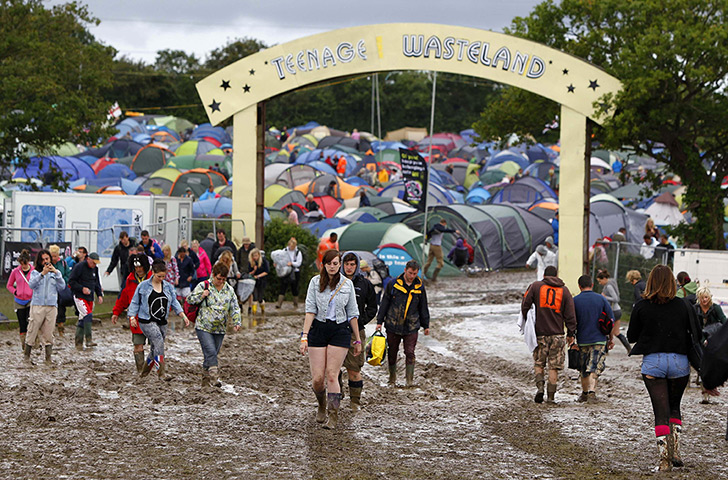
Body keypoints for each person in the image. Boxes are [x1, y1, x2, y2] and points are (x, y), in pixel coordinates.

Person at [627, 264, 701, 471]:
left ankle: (663, 461)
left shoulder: (641, 306)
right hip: (679, 362)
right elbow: (696, 334)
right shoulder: (684, 305)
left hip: (653, 363)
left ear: (650, 281)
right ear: (672, 282)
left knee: (660, 412)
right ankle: (676, 451)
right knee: (675, 407)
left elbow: (632, 336)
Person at [300, 249, 361, 429]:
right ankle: (321, 404)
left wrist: (357, 339)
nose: (333, 267)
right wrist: (304, 336)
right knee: (318, 379)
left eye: (336, 264)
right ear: (323, 265)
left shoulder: (347, 284)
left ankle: (333, 416)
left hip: (340, 330)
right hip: (318, 329)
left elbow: (353, 314)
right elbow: (310, 310)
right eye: (329, 264)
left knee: (332, 375)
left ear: (339, 264)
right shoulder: (314, 283)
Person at [521, 265, 576, 404]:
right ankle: (551, 397)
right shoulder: (564, 290)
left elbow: (525, 303)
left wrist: (527, 320)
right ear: (556, 275)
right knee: (554, 367)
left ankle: (540, 388)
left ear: (544, 275)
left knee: (539, 363)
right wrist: (571, 333)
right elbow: (570, 315)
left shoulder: (535, 286)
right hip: (557, 334)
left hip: (539, 334)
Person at [128, 259, 189, 380]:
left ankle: (144, 373)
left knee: (154, 348)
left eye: (163, 276)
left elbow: (174, 302)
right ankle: (162, 373)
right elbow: (135, 302)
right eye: (158, 276)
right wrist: (131, 317)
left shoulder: (168, 287)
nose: (161, 278)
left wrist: (182, 315)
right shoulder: (143, 286)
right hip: (146, 320)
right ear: (153, 273)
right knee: (158, 341)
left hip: (162, 321)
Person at [376, 259, 430, 387]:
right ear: (405, 270)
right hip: (392, 324)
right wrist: (379, 321)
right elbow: (385, 303)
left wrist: (426, 325)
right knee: (392, 352)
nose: (412, 276)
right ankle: (392, 377)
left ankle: (409, 380)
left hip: (411, 326)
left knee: (410, 352)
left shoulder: (419, 286)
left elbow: (423, 307)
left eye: (415, 274)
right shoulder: (393, 284)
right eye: (410, 273)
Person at [188, 262, 242, 386]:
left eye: (223, 279)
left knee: (211, 354)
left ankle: (205, 380)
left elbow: (234, 307)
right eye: (219, 278)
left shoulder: (229, 290)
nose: (221, 281)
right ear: (213, 275)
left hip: (220, 328)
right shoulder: (204, 285)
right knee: (210, 351)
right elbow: (190, 299)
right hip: (203, 326)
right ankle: (214, 377)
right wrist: (202, 295)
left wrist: (236, 321)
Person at [340, 252, 377, 411]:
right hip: (335, 330)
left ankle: (355, 402)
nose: (349, 267)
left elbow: (373, 307)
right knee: (332, 369)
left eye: (352, 264)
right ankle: (336, 393)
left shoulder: (365, 284)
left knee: (354, 369)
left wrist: (360, 321)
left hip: (356, 332)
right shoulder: (334, 282)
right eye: (346, 264)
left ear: (357, 266)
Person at [573, 275, 614, 403]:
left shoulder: (575, 301)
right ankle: (591, 392)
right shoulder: (601, 299)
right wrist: (610, 338)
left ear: (579, 286)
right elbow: (610, 320)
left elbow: (571, 321)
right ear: (592, 285)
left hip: (582, 340)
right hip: (599, 339)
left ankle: (584, 393)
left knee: (583, 368)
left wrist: (571, 338)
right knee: (594, 366)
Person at [111, 254, 152, 373]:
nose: (138, 269)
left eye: (140, 267)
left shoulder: (154, 278)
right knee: (137, 345)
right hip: (136, 319)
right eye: (136, 267)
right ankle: (141, 371)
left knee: (156, 346)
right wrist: (116, 312)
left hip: (153, 319)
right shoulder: (130, 280)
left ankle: (158, 370)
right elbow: (124, 297)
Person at [25, 250, 66, 365]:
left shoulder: (55, 273)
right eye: (43, 259)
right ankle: (26, 356)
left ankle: (48, 358)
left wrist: (57, 274)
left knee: (48, 333)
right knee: (32, 330)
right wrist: (42, 274)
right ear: (39, 261)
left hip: (52, 306)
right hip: (38, 305)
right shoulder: (35, 273)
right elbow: (31, 285)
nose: (45, 262)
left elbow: (62, 287)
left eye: (47, 259)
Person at [694, 285, 726, 404]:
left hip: (714, 339)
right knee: (700, 363)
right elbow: (694, 327)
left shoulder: (716, 308)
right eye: (702, 298)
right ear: (698, 298)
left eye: (706, 297)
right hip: (699, 338)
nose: (704, 300)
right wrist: (701, 340)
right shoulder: (695, 309)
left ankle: (712, 385)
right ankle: (705, 393)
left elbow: (724, 322)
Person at [68, 252, 104, 350]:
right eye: (93, 262)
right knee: (88, 315)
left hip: (90, 297)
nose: (94, 265)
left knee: (82, 318)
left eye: (96, 263)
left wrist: (99, 295)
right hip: (79, 296)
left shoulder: (95, 269)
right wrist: (81, 288)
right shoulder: (79, 267)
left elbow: (97, 283)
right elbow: (71, 281)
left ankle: (78, 342)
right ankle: (89, 339)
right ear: (88, 259)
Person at [596, 269, 631, 354]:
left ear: (604, 278)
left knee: (607, 330)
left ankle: (605, 351)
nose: (600, 283)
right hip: (617, 310)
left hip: (613, 311)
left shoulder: (608, 286)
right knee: (616, 332)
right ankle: (629, 348)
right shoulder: (611, 283)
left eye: (600, 281)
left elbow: (616, 299)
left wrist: (604, 297)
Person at [6, 249, 34, 351]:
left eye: (25, 264)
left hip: (31, 300)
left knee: (30, 321)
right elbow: (9, 285)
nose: (24, 266)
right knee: (22, 323)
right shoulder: (15, 272)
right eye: (22, 264)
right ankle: (24, 344)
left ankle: (31, 341)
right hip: (19, 300)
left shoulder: (34, 271)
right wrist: (15, 291)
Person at [49, 244, 72, 337]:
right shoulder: (47, 264)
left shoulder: (63, 263)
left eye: (55, 256)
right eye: (52, 256)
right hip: (50, 289)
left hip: (61, 289)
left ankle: (61, 328)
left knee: (61, 308)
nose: (53, 258)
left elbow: (68, 274)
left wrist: (63, 281)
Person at [276, 237, 303, 309]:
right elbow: (280, 259)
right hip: (285, 271)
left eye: (292, 246)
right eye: (289, 246)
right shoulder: (284, 251)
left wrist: (292, 263)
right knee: (283, 287)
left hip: (295, 272)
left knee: (294, 288)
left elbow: (299, 263)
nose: (290, 247)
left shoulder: (298, 252)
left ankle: (295, 303)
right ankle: (279, 303)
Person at [248, 248, 269, 314]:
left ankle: (263, 310)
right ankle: (254, 313)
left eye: (256, 256)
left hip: (262, 281)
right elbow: (249, 273)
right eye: (253, 256)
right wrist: (254, 270)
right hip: (254, 282)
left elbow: (266, 271)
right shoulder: (251, 262)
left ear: (259, 255)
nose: (255, 257)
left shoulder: (264, 261)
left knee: (260, 298)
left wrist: (258, 276)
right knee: (255, 297)